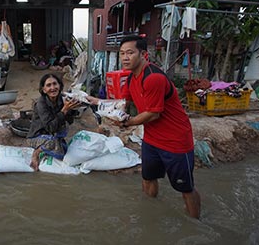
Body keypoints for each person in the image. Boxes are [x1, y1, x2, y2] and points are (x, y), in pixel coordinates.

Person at [86, 35, 201, 219]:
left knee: (185, 188)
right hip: (152, 139)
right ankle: (150, 214)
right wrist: (94, 100)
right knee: (148, 179)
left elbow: (153, 114)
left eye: (130, 53)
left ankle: (195, 223)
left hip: (176, 141)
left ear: (143, 55)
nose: (125, 57)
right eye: (122, 53)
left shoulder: (153, 78)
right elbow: (121, 103)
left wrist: (127, 122)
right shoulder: (131, 78)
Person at [27, 73, 81, 171]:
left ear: (59, 86)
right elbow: (50, 127)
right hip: (37, 136)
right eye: (48, 85)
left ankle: (52, 145)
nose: (53, 88)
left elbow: (69, 121)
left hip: (53, 134)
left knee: (64, 150)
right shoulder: (41, 103)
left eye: (55, 84)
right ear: (44, 90)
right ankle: (37, 152)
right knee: (57, 149)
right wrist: (64, 110)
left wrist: (71, 109)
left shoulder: (62, 99)